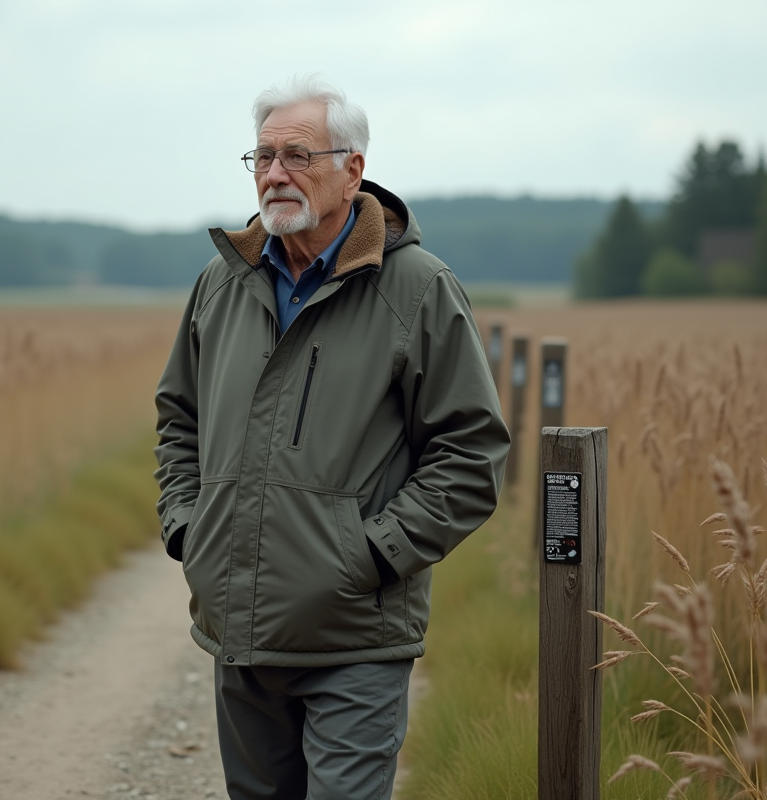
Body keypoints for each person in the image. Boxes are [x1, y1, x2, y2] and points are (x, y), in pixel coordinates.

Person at [153, 74, 510, 800]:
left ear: (353, 170)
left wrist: (368, 556)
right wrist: (191, 530)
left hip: (355, 636)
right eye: (262, 157)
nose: (275, 174)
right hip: (239, 630)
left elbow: (470, 455)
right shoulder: (220, 286)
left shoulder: (417, 289)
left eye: (298, 155)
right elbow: (177, 420)